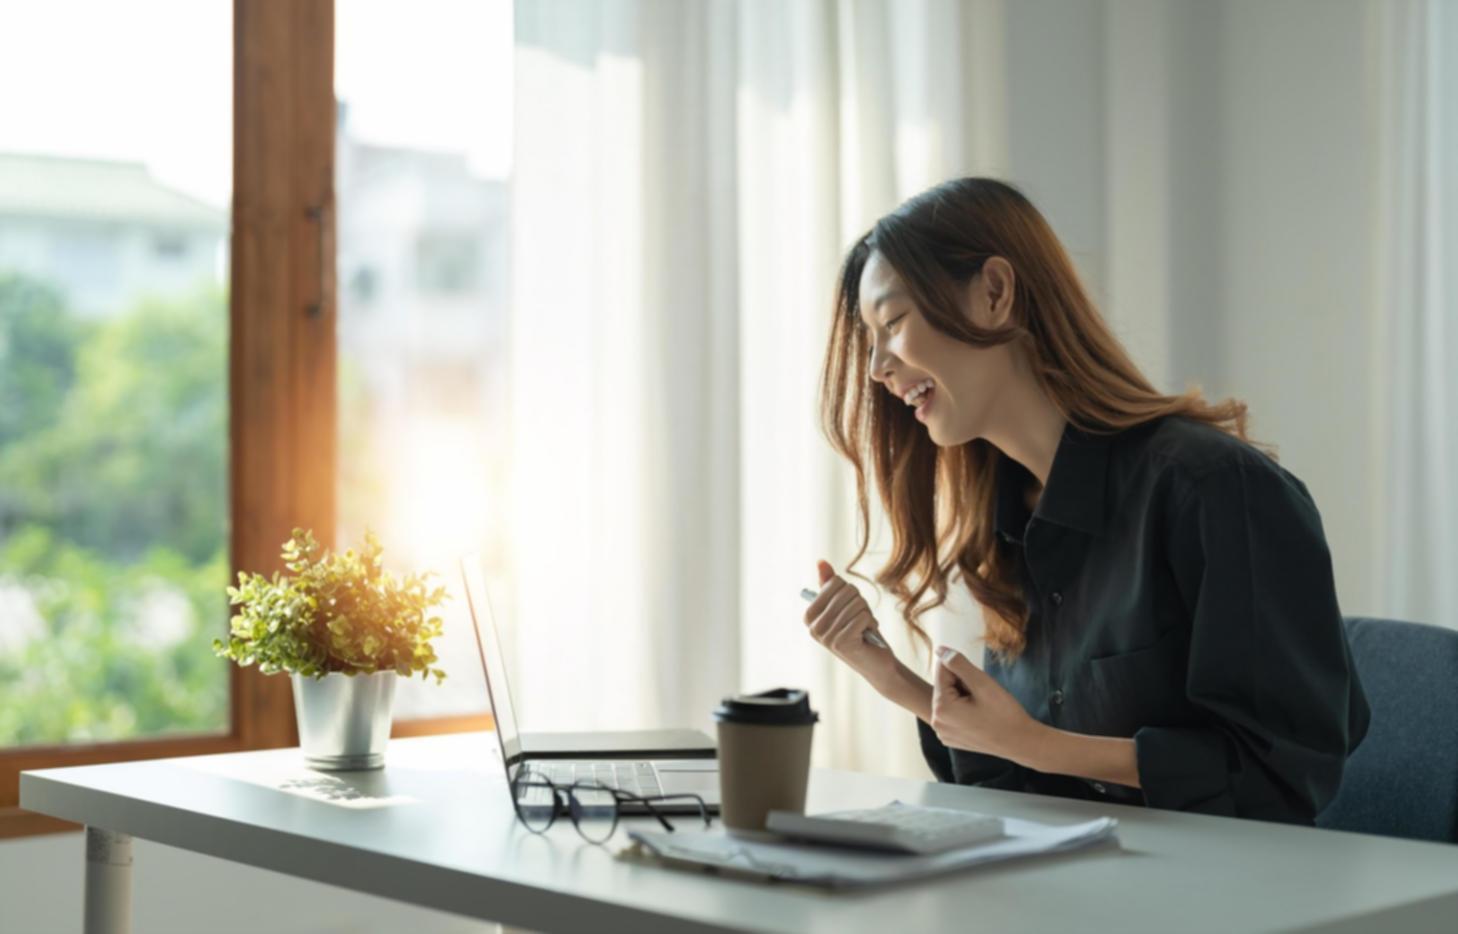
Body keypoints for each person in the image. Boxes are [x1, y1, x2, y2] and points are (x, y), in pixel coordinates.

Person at [802, 177, 1370, 825]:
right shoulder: (1008, 519)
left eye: (892, 323)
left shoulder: (1212, 489)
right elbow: (1019, 785)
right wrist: (894, 681)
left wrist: (1036, 744)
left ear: (994, 293)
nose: (876, 366)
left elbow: (1282, 774)